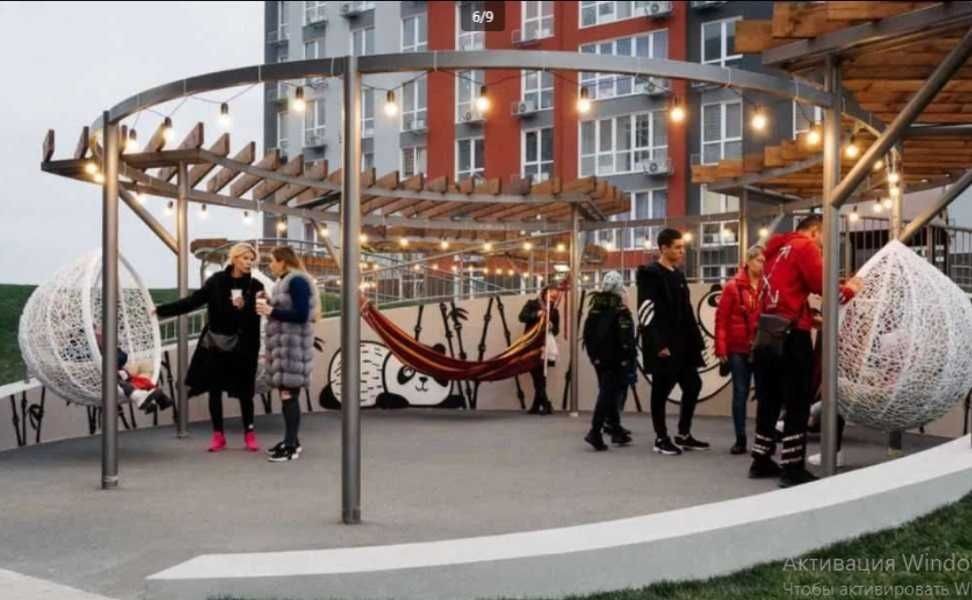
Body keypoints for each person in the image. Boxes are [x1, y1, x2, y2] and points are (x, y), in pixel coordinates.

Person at [749, 215, 860, 487]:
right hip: (792, 338)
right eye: (825, 238)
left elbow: (782, 296)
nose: (824, 246)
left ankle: (761, 459)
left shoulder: (775, 251)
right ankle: (792, 468)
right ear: (816, 231)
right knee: (797, 402)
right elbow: (825, 288)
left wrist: (809, 316)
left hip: (766, 334)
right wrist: (851, 289)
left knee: (769, 401)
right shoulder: (804, 246)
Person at [154, 243, 265, 452]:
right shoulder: (216, 281)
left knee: (245, 392)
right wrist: (161, 310)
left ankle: (249, 434)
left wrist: (245, 307)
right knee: (214, 390)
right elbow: (193, 302)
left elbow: (259, 314)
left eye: (251, 259)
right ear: (234, 259)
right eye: (245, 258)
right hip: (216, 344)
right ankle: (218, 435)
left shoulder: (255, 286)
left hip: (243, 347)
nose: (249, 262)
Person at [637, 228, 708, 456]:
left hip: (684, 343)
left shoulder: (678, 275)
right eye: (677, 247)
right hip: (664, 344)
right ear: (663, 248)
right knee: (661, 390)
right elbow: (645, 310)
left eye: (682, 247)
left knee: (693, 385)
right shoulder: (650, 273)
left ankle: (683, 434)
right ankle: (661, 438)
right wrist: (658, 344)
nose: (682, 251)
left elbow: (687, 310)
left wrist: (697, 342)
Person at [257, 246, 320, 463]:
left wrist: (271, 311)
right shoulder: (284, 282)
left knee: (289, 397)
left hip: (293, 350)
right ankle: (291, 440)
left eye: (273, 261)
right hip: (286, 351)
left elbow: (301, 314)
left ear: (283, 261)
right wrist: (270, 302)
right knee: (287, 398)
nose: (270, 265)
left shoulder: (297, 281)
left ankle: (291, 446)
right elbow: (289, 309)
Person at [715, 244, 766, 455]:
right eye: (759, 260)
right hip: (738, 347)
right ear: (749, 261)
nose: (762, 265)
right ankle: (740, 438)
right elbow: (721, 319)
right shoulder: (733, 286)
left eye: (764, 261)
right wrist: (721, 348)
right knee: (740, 393)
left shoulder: (767, 286)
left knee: (764, 393)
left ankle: (763, 437)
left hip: (761, 346)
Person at [582, 271, 636, 450]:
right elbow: (626, 338)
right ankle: (595, 431)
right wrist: (628, 358)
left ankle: (616, 429)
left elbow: (587, 335)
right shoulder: (621, 311)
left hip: (599, 359)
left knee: (608, 392)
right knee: (608, 394)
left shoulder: (595, 309)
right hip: (616, 360)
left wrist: (594, 357)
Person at [518, 286, 560, 415]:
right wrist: (536, 314)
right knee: (536, 373)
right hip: (532, 343)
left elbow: (557, 331)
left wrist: (552, 327)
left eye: (555, 297)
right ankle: (545, 403)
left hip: (546, 345)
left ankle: (538, 405)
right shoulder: (532, 304)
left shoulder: (554, 311)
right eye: (551, 295)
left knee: (541, 374)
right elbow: (522, 317)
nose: (552, 299)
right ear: (544, 293)